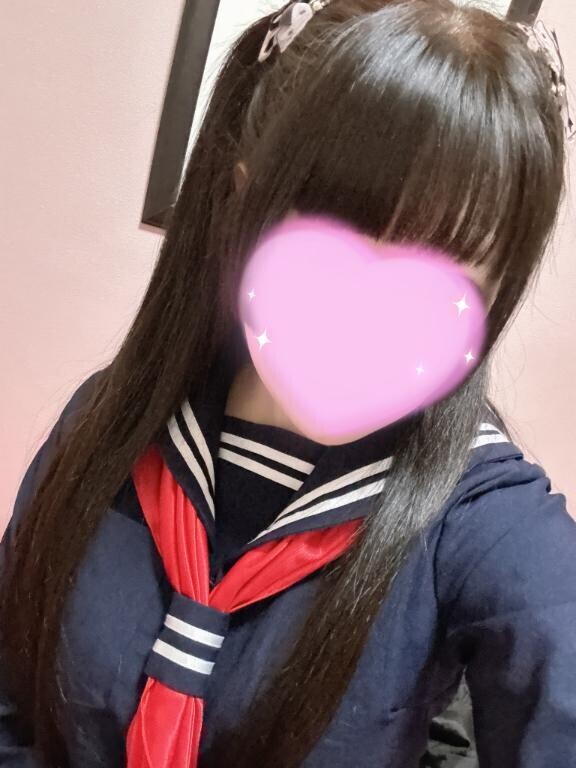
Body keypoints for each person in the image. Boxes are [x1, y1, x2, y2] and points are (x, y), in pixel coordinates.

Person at [1, 1, 575, 766]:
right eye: (336, 237)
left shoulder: (482, 517)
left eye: (445, 272)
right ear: (243, 204)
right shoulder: (109, 423)